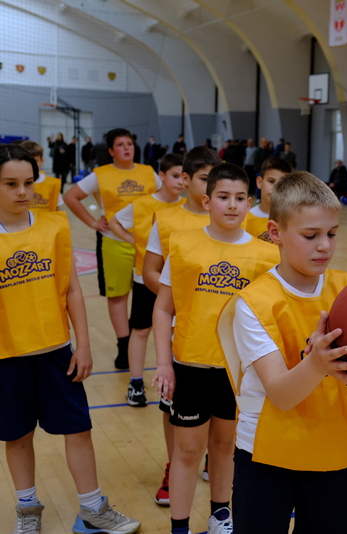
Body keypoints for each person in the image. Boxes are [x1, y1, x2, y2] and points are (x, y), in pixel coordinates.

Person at [217, 171, 347, 532]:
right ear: (275, 233)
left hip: (333, 451)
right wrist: (318, 363)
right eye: (310, 235)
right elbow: (282, 395)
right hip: (267, 456)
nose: (325, 245)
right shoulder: (253, 303)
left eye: (332, 234)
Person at [0, 144, 141, 534]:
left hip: (56, 352)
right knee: (17, 436)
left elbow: (72, 290)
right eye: (10, 184)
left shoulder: (55, 225)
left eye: (28, 182)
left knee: (78, 429)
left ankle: (93, 508)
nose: (22, 191)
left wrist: (83, 343)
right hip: (7, 358)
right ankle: (27, 511)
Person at [152, 163, 279, 534]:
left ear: (250, 202)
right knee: (187, 452)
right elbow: (163, 307)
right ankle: (179, 526)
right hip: (190, 366)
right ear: (207, 201)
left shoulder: (265, 255)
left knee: (226, 447)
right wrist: (163, 364)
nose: (232, 205)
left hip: (237, 371)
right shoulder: (184, 245)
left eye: (240, 198)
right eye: (223, 197)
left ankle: (220, 515)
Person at [141, 146, 221, 507]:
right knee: (171, 407)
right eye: (205, 179)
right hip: (179, 330)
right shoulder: (167, 220)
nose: (211, 187)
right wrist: (180, 298)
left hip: (218, 332)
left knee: (221, 411)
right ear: (186, 180)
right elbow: (149, 272)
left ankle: (212, 465)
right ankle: (175, 467)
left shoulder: (228, 218)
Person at [63, 128, 161, 371]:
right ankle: (123, 345)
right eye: (120, 144)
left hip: (147, 244)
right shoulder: (101, 174)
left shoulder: (148, 172)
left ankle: (139, 340)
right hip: (113, 241)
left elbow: (167, 196)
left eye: (130, 143)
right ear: (110, 151)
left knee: (148, 294)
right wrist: (93, 222)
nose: (127, 147)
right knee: (118, 296)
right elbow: (71, 196)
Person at [108, 153, 186, 408]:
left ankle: (171, 382)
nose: (180, 181)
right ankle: (136, 383)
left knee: (174, 332)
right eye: (174, 176)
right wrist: (133, 241)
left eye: (183, 176)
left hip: (176, 281)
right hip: (146, 278)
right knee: (140, 331)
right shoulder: (142, 204)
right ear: (161, 176)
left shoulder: (186, 207)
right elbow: (114, 221)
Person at [245, 157, 292, 242]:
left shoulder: (293, 219)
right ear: (260, 182)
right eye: (271, 181)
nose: (275, 188)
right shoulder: (245, 219)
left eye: (282, 184)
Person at [19, 141, 64, 212]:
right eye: (27, 161)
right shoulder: (13, 183)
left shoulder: (53, 184)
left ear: (41, 161)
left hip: (46, 222)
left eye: (35, 161)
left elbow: (56, 210)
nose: (31, 165)